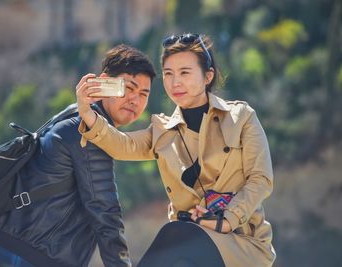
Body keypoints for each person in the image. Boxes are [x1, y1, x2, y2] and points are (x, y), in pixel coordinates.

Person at [76, 33, 276, 266]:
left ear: (207, 76)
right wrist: (87, 113)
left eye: (184, 73)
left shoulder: (241, 117)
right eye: (168, 74)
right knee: (178, 233)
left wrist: (227, 220)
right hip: (188, 246)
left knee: (176, 233)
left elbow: (260, 179)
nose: (175, 82)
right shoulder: (161, 131)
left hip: (241, 243)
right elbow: (122, 145)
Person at [0, 44, 156, 267]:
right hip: (23, 257)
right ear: (104, 83)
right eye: (129, 88)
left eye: (143, 94)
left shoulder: (69, 115)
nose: (135, 100)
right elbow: (105, 211)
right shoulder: (88, 133)